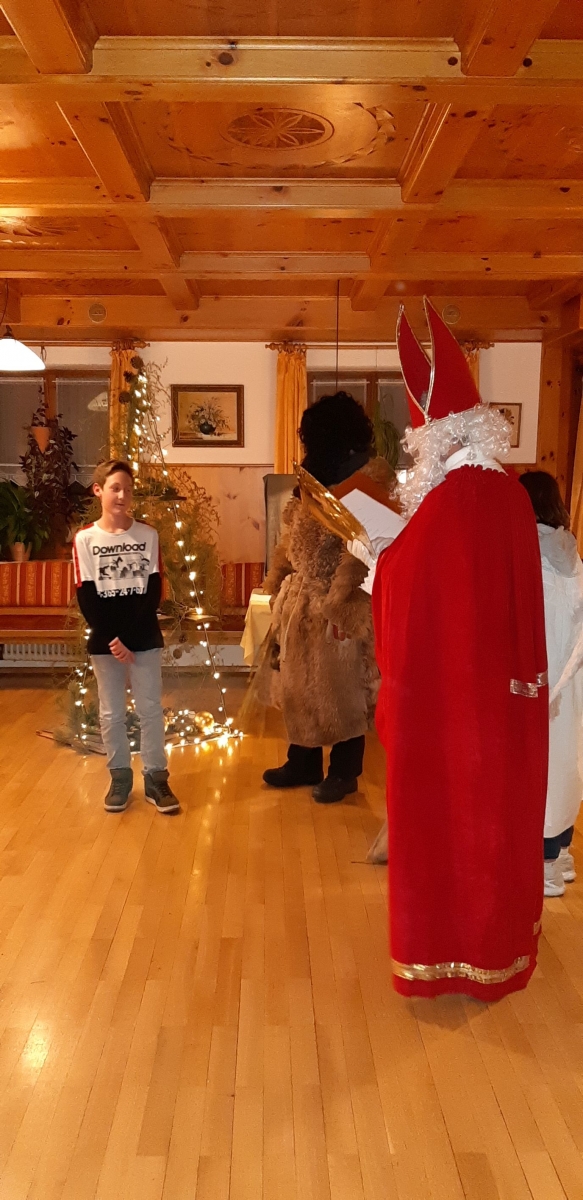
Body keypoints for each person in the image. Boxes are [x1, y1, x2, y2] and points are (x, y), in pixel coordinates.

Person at [352, 300, 548, 1000]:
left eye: (418, 441)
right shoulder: (508, 494)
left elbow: (410, 594)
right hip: (502, 704)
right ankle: (496, 952)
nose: (415, 455)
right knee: (495, 832)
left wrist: (377, 560)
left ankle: (444, 955)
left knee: (448, 830)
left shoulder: (449, 500)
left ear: (437, 437)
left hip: (447, 710)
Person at [259, 392, 393, 804]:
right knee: (300, 685)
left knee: (344, 690)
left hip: (337, 599)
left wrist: (345, 605)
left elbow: (367, 550)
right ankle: (303, 761)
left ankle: (345, 771)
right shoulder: (316, 476)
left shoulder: (368, 481)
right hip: (302, 599)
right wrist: (277, 583)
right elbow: (291, 537)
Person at [73, 459, 179, 815]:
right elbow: (87, 596)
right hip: (105, 641)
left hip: (143, 637)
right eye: (115, 488)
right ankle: (119, 777)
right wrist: (113, 640)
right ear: (98, 490)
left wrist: (129, 639)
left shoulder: (148, 535)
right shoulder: (85, 539)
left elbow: (153, 591)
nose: (122, 495)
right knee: (111, 713)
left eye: (128, 490)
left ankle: (156, 778)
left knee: (150, 710)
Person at [519, 470, 583, 897]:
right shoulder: (571, 554)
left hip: (541, 684)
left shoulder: (531, 560)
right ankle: (561, 856)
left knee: (540, 772)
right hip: (572, 685)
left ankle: (543, 867)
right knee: (566, 767)